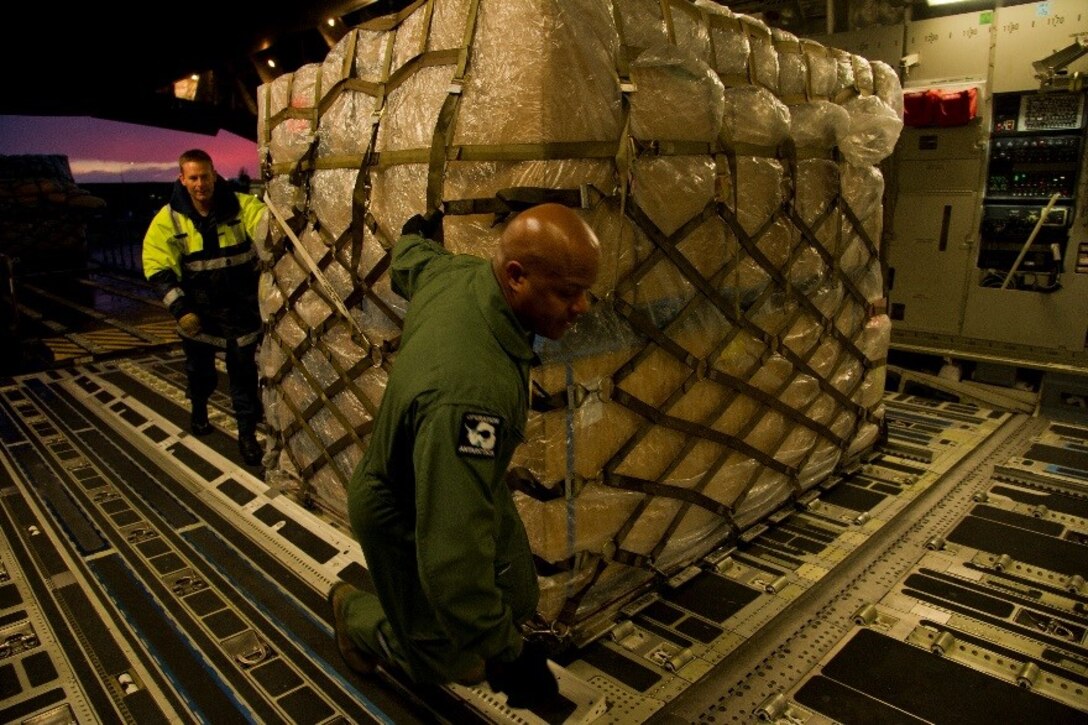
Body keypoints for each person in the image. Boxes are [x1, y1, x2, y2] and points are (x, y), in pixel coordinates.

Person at [329, 203, 601, 709]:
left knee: (517, 593)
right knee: (459, 660)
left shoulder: (460, 274)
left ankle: (468, 630)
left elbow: (412, 259)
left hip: (457, 475)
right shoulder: (473, 399)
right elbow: (452, 555)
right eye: (569, 292)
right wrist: (509, 660)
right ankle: (358, 619)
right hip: (401, 504)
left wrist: (413, 233)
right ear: (516, 277)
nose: (582, 307)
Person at [142, 149, 266, 466]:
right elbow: (158, 269)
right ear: (182, 180)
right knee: (202, 374)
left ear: (214, 175)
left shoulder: (242, 206)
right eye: (193, 178)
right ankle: (199, 409)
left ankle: (247, 437)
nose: (201, 184)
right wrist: (181, 310)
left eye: (205, 176)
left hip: (240, 310)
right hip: (198, 315)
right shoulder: (168, 219)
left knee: (244, 377)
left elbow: (268, 227)